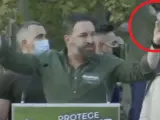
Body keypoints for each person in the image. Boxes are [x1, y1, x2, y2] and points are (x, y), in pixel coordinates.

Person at [1, 13, 159, 104]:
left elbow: (142, 70)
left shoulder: (108, 63)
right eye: (83, 35)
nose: (90, 40)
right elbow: (10, 59)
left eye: (92, 34)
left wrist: (156, 44)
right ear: (68, 39)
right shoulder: (46, 61)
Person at [0, 21, 47, 120]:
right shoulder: (9, 77)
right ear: (24, 43)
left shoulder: (53, 70)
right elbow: (2, 115)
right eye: (39, 37)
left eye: (45, 36)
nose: (45, 41)